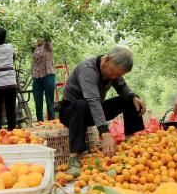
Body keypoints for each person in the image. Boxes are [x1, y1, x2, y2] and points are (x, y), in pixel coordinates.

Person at [58, 47, 146, 175]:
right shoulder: (87, 70)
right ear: (106, 60)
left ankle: (132, 143)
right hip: (70, 112)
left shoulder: (112, 70)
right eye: (113, 73)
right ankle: (74, 157)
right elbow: (92, 101)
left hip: (91, 111)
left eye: (118, 75)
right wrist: (105, 132)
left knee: (130, 100)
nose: (114, 77)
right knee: (81, 104)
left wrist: (133, 97)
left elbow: (122, 87)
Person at [31, 36, 56, 122]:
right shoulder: (35, 48)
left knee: (49, 102)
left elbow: (48, 36)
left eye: (41, 37)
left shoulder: (48, 46)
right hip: (36, 76)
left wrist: (46, 34)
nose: (39, 39)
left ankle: (52, 122)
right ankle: (40, 122)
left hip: (48, 75)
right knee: (38, 102)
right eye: (38, 38)